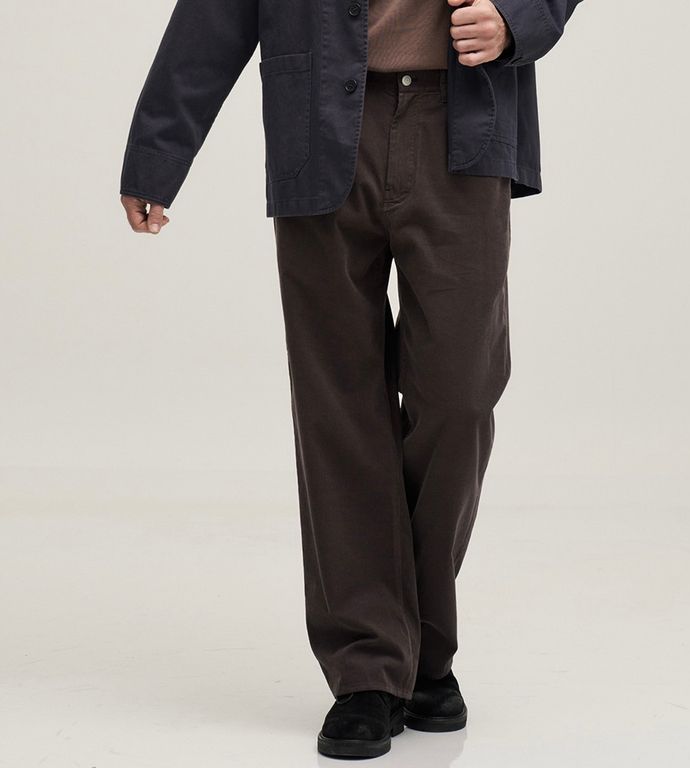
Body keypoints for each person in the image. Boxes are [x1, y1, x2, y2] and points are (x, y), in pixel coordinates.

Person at [119, 0, 584, 758]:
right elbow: (214, 14)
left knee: (460, 397)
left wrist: (517, 17)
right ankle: (370, 667)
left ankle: (422, 641)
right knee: (339, 407)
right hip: (320, 122)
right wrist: (157, 153)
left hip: (462, 118)